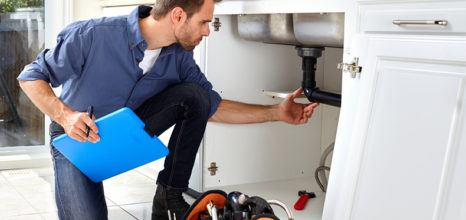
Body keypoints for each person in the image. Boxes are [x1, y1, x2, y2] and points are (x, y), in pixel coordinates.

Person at [17, 0, 319, 219]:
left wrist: (276, 112)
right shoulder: (93, 34)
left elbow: (211, 107)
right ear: (177, 15)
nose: (208, 31)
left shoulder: (180, 59)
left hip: (127, 130)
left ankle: (169, 196)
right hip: (78, 140)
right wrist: (66, 116)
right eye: (203, 22)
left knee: (196, 95)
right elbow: (30, 77)